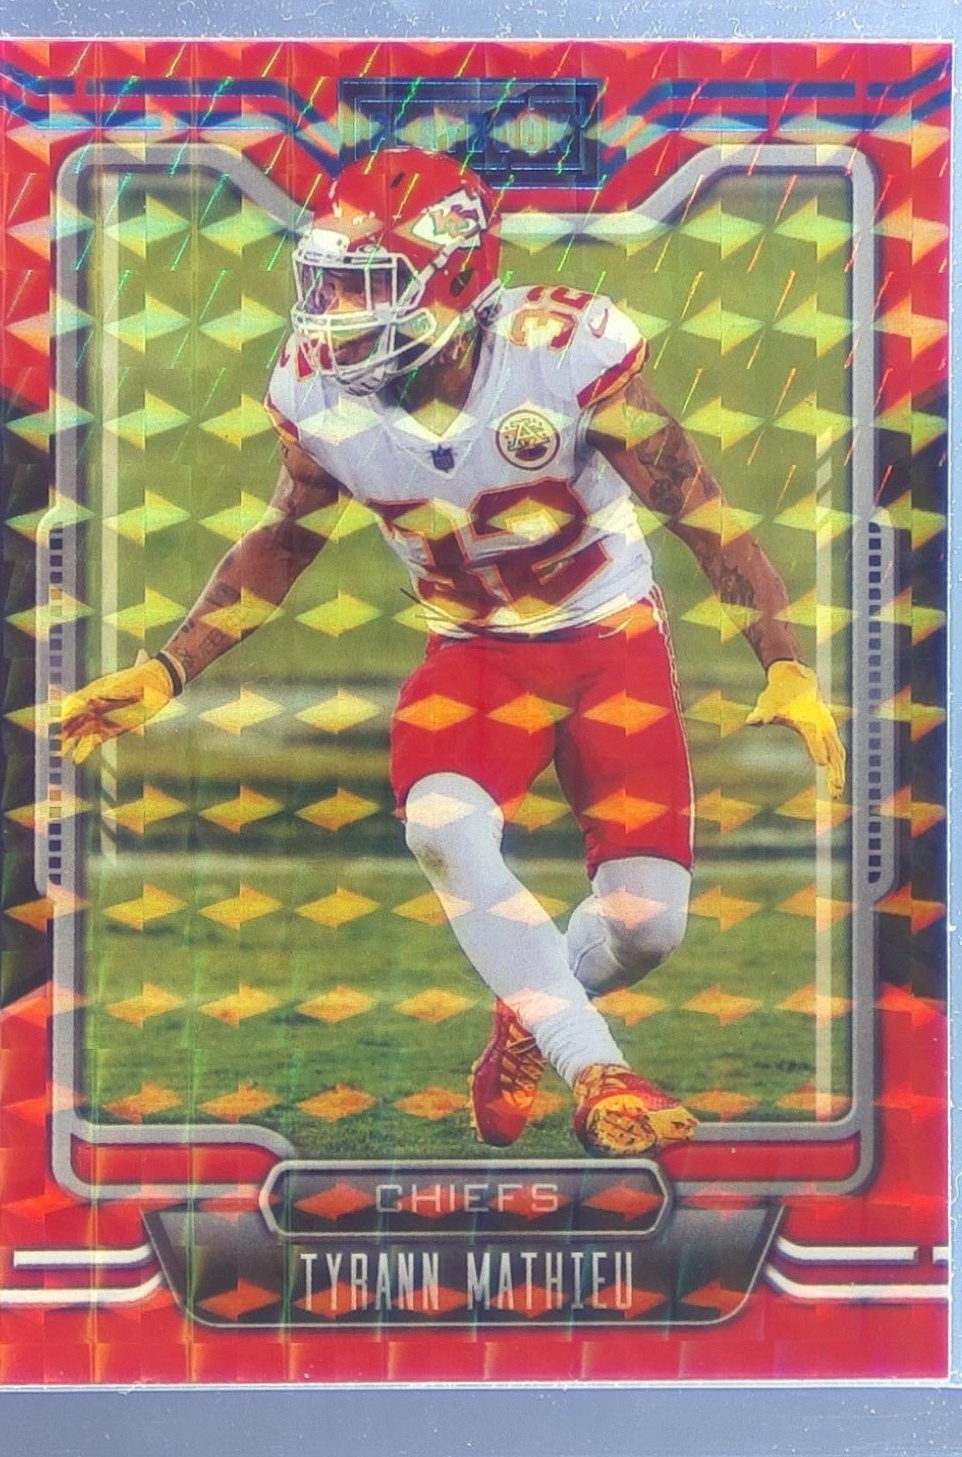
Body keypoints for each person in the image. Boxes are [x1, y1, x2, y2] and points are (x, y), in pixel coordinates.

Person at [61, 147, 845, 1160]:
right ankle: (598, 1072)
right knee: (441, 824)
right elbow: (283, 539)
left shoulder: (559, 356)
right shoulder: (315, 392)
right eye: (329, 280)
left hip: (611, 644)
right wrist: (167, 667)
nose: (336, 309)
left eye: (367, 282)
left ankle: (530, 1006)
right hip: (474, 653)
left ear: (455, 276)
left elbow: (700, 513)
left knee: (646, 926)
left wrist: (780, 659)